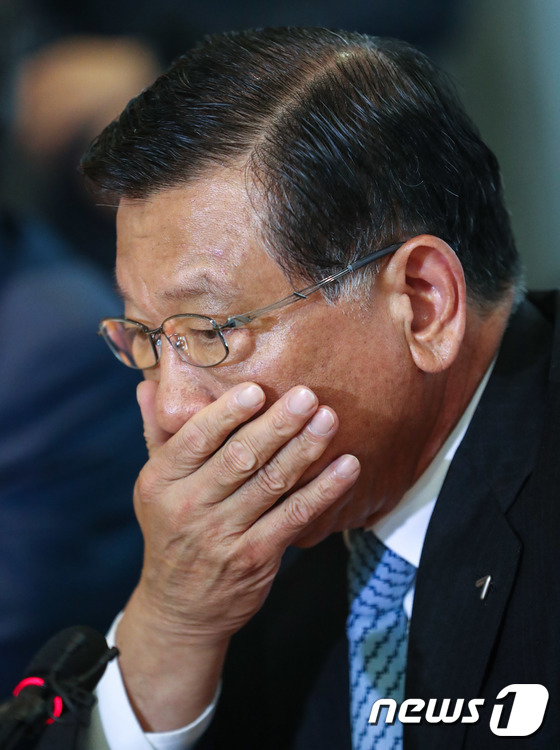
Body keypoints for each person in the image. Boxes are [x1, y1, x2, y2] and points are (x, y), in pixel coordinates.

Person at [46, 27, 560, 749]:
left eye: (211, 331)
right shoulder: (229, 567)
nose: (173, 406)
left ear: (423, 304)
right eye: (147, 337)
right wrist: (172, 622)